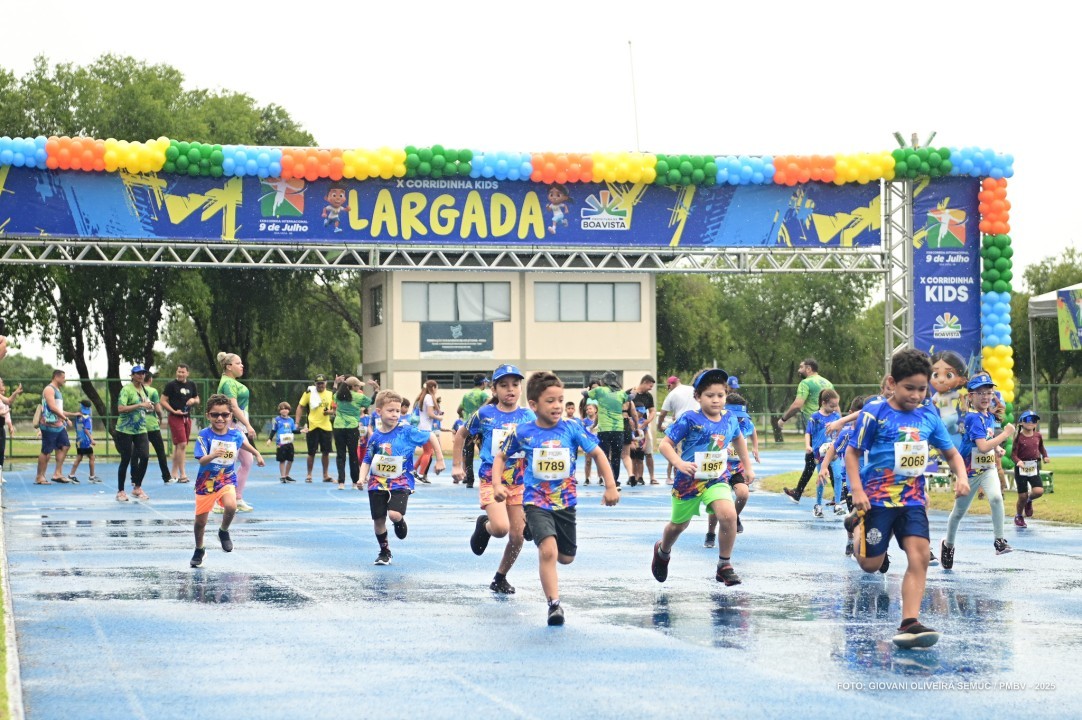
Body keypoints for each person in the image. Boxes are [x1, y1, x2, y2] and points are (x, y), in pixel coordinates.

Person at [845, 349, 968, 649]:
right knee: (871, 565)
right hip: (876, 500)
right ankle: (855, 526)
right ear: (892, 383)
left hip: (913, 500)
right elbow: (852, 452)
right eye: (909, 388)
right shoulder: (874, 413)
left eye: (922, 389)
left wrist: (962, 477)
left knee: (920, 555)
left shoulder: (928, 416)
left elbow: (951, 453)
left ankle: (909, 621)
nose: (915, 395)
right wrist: (857, 490)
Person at [494, 371, 619, 625]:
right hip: (535, 501)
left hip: (565, 503)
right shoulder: (523, 432)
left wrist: (610, 486)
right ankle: (554, 605)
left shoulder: (571, 428)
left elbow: (598, 454)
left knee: (566, 558)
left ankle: (533, 530)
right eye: (550, 401)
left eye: (560, 400)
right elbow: (501, 456)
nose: (557, 406)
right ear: (534, 405)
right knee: (548, 551)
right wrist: (497, 483)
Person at [652, 368, 754, 587]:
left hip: (716, 479)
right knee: (678, 526)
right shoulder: (689, 419)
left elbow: (738, 439)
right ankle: (662, 551)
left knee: (729, 515)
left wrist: (747, 466)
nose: (716, 400)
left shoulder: (730, 419)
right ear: (698, 397)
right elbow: (665, 444)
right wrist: (679, 463)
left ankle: (724, 565)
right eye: (710, 395)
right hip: (688, 482)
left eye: (720, 395)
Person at [453, 364, 536, 594]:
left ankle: (500, 577)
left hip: (519, 482)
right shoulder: (485, 414)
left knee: (517, 537)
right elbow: (461, 434)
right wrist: (457, 465)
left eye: (515, 385)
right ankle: (485, 525)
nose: (510, 389)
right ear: (494, 389)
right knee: (500, 529)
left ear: (521, 388)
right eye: (504, 385)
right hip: (492, 479)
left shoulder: (528, 416)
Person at [359, 390, 445, 565]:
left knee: (394, 514)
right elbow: (367, 459)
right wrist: (361, 478)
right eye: (390, 410)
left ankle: (399, 521)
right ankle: (384, 552)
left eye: (397, 411)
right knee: (378, 520)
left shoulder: (406, 431)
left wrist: (440, 459)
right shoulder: (375, 437)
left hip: (400, 482)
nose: (395, 414)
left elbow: (430, 435)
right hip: (377, 483)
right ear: (379, 411)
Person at [940, 372, 1016, 568]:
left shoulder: (988, 416)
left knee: (996, 498)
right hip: (969, 472)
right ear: (971, 397)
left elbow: (986, 441)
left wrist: (997, 449)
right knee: (958, 513)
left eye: (988, 392)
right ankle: (948, 545)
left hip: (987, 469)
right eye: (980, 393)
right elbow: (982, 447)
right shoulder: (973, 418)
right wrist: (1006, 434)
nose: (985, 397)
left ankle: (999, 541)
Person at [190, 394, 265, 568]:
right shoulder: (204, 435)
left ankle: (223, 531)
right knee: (200, 523)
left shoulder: (235, 434)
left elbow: (244, 444)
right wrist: (212, 455)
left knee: (231, 506)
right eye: (215, 414)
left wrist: (257, 454)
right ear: (208, 415)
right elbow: (201, 460)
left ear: (231, 416)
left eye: (224, 414)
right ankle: (199, 549)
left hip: (226, 479)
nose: (220, 418)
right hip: (206, 483)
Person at [704, 391, 759, 545]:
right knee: (718, 503)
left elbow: (753, 430)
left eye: (741, 416)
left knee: (743, 493)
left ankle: (734, 517)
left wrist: (755, 447)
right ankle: (710, 533)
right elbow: (708, 441)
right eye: (736, 416)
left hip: (737, 466)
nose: (739, 419)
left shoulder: (745, 422)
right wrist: (719, 447)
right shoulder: (717, 423)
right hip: (720, 466)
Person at [779, 359, 835, 502]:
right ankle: (799, 491)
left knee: (817, 459)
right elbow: (836, 405)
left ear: (808, 369)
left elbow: (798, 404)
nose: (799, 370)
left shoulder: (806, 383)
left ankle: (840, 493)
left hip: (815, 426)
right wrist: (838, 422)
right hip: (829, 426)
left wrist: (783, 419)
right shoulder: (827, 383)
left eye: (801, 367)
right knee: (823, 458)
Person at [217, 352, 258, 511]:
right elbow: (233, 407)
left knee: (247, 461)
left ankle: (237, 498)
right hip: (231, 426)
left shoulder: (232, 381)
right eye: (238, 363)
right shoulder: (228, 383)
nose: (242, 365)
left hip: (238, 426)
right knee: (227, 463)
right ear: (229, 366)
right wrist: (248, 425)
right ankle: (219, 501)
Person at [115, 365, 154, 501]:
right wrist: (140, 405)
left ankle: (137, 487)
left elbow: (145, 406)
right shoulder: (126, 390)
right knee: (126, 458)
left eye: (143, 373)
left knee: (145, 456)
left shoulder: (144, 389)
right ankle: (120, 491)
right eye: (138, 373)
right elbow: (121, 408)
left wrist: (149, 406)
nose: (141, 375)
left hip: (140, 429)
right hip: (125, 429)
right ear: (132, 375)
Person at [586, 371, 630, 487]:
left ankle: (607, 479)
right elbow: (628, 398)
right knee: (616, 456)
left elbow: (585, 394)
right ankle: (615, 480)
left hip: (604, 429)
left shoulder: (600, 390)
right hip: (618, 429)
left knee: (604, 456)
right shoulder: (621, 392)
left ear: (604, 380)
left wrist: (586, 391)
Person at [36, 370, 79, 485]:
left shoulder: (58, 391)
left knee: (65, 445)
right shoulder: (49, 389)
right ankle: (39, 477)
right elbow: (52, 407)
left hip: (59, 426)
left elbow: (59, 409)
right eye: (63, 377)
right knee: (46, 451)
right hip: (49, 425)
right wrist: (66, 419)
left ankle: (57, 474)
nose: (65, 380)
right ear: (56, 377)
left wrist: (72, 414)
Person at [161, 363, 201, 483]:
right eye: (179, 371)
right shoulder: (171, 385)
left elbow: (197, 399)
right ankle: (183, 474)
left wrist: (193, 400)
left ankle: (173, 473)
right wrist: (173, 411)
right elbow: (163, 400)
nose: (180, 374)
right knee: (182, 444)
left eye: (183, 372)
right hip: (175, 417)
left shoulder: (191, 384)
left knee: (180, 446)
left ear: (187, 373)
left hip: (187, 417)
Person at [805, 388, 841, 518]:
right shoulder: (815, 417)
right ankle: (818, 505)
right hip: (819, 453)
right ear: (823, 403)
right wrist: (808, 445)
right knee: (822, 479)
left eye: (836, 405)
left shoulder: (836, 417)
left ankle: (838, 504)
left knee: (838, 476)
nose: (834, 408)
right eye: (832, 406)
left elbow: (840, 432)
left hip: (834, 451)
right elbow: (808, 432)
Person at [656, 375, 699, 485]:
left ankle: (681, 479)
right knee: (697, 451)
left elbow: (662, 414)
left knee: (678, 454)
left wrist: (659, 426)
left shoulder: (672, 394)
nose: (668, 388)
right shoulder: (692, 389)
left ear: (671, 385)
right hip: (699, 423)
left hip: (682, 426)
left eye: (668, 386)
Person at [1011, 410, 1050, 527]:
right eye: (1028, 420)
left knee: (1039, 491)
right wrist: (1018, 461)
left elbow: (1041, 447)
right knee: (1022, 496)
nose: (1031, 422)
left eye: (1034, 420)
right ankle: (1019, 516)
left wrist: (1045, 456)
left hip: (1033, 466)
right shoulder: (1018, 437)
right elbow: (1013, 454)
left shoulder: (1038, 435)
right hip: (1021, 468)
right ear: (1021, 422)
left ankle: (1029, 501)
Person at [333, 376, 372, 490]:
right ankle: (355, 482)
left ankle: (341, 482)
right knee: (353, 455)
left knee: (340, 455)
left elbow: (334, 394)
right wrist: (376, 390)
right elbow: (371, 401)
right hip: (352, 427)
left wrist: (335, 383)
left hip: (338, 426)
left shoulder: (339, 395)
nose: (359, 387)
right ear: (353, 386)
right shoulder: (359, 396)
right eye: (358, 386)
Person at [297, 374, 335, 483]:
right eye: (318, 383)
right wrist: (297, 422)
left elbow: (334, 410)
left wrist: (329, 412)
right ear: (315, 384)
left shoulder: (330, 394)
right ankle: (309, 475)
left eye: (322, 383)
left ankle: (325, 475)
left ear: (326, 383)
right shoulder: (309, 393)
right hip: (312, 426)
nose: (320, 385)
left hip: (326, 427)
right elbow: (300, 406)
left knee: (326, 452)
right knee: (311, 452)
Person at [930, 350, 969, 449]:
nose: (941, 379)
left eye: (949, 375)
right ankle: (961, 431)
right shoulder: (937, 395)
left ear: (961, 379)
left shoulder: (950, 394)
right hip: (945, 417)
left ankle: (936, 445)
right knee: (953, 430)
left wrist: (963, 404)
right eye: (935, 374)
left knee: (940, 426)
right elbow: (932, 403)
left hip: (952, 416)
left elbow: (960, 395)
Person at [457, 375, 489, 489]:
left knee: (468, 455)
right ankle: (485, 478)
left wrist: (465, 417)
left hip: (468, 428)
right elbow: (489, 402)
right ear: (483, 383)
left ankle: (469, 480)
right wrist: (479, 412)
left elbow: (459, 410)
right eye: (486, 382)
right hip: (480, 429)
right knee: (484, 454)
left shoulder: (466, 395)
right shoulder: (483, 394)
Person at [143, 372, 173, 484]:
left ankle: (134, 478)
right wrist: (160, 418)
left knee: (137, 453)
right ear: (150, 379)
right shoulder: (153, 391)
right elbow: (158, 409)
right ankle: (166, 477)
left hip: (140, 426)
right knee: (160, 452)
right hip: (152, 425)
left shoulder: (136, 391)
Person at [627, 375, 657, 485]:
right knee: (632, 455)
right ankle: (633, 476)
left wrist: (647, 422)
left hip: (643, 427)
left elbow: (652, 411)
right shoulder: (630, 393)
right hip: (630, 427)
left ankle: (652, 477)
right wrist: (628, 421)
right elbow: (623, 408)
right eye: (650, 386)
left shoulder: (648, 396)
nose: (651, 388)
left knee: (648, 453)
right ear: (645, 382)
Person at [267, 401, 304, 482]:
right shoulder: (277, 420)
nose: (284, 410)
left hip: (289, 442)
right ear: (279, 410)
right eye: (282, 409)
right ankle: (282, 476)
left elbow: (293, 430)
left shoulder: (291, 420)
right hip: (281, 443)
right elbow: (273, 430)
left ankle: (287, 475)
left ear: (289, 410)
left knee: (290, 459)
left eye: (286, 409)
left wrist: (301, 431)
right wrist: (270, 439)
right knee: (282, 459)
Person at [413, 379, 442, 482]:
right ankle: (420, 474)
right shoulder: (429, 397)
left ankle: (414, 469)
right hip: (426, 429)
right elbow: (430, 413)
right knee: (428, 452)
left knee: (427, 451)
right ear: (433, 388)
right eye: (436, 388)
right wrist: (438, 418)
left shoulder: (423, 396)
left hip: (422, 427)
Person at [67, 399, 99, 483]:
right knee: (91, 457)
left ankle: (71, 475)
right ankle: (92, 477)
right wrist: (92, 439)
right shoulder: (87, 418)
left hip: (79, 440)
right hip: (85, 441)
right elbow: (86, 430)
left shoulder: (78, 417)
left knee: (79, 457)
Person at [0, 377, 23, 482]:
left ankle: (0, 475)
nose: (2, 384)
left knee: (1, 451)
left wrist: (15, 393)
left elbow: (9, 401)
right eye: (1, 382)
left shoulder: (0, 396)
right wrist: (1, 413)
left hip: (1, 427)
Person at [581, 399, 599, 484]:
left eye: (590, 408)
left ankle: (600, 477)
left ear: (595, 410)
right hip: (588, 443)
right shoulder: (584, 421)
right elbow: (582, 432)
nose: (588, 410)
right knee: (588, 461)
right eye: (587, 409)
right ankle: (587, 478)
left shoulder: (600, 420)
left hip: (598, 442)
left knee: (599, 461)